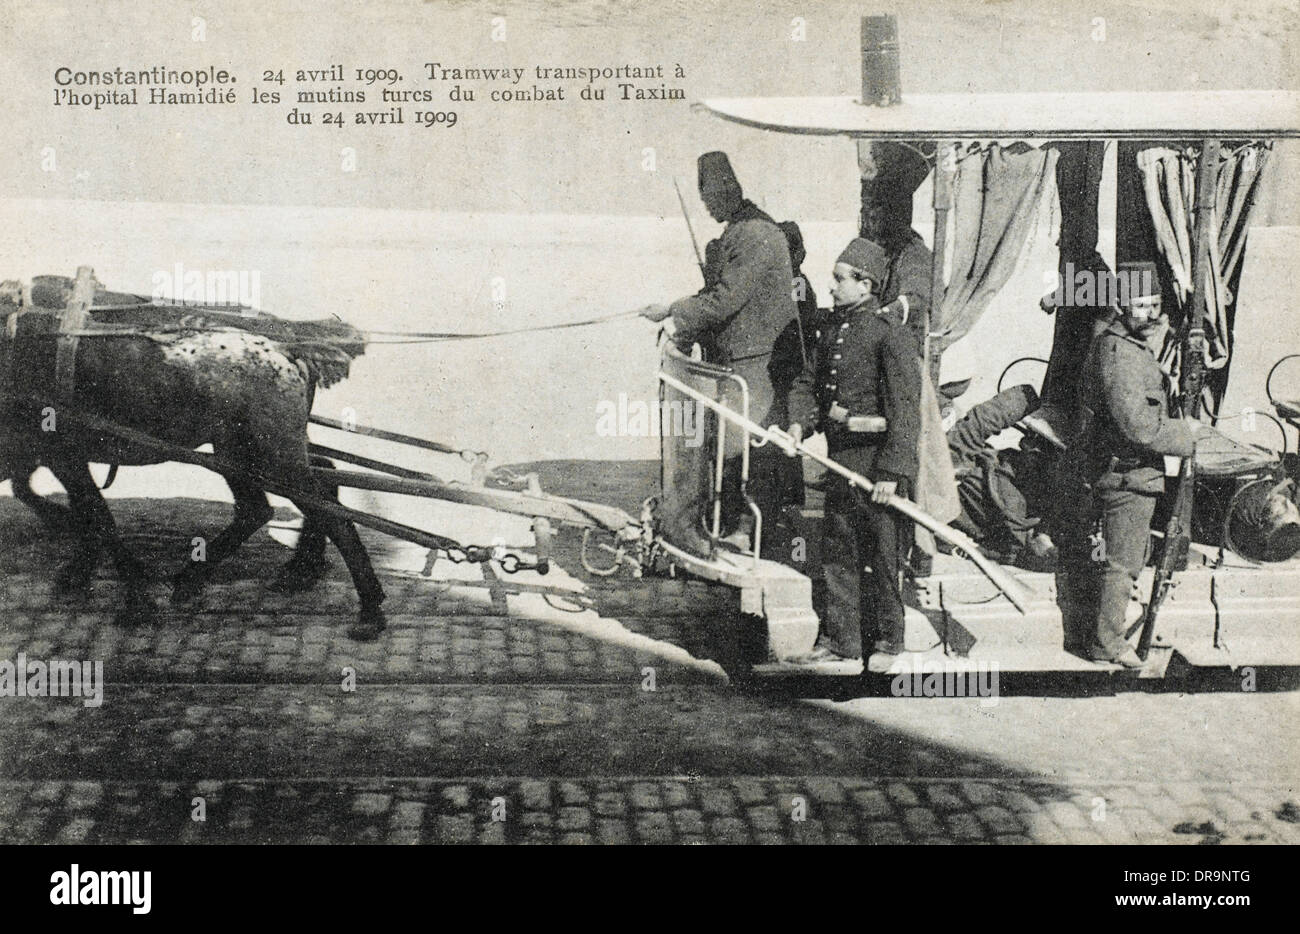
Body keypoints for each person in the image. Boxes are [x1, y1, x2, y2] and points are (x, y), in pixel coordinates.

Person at [640, 152, 797, 555]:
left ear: (728, 191)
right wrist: (684, 315)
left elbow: (726, 298)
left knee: (744, 449)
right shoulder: (739, 231)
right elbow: (717, 294)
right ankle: (733, 525)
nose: (708, 209)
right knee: (732, 447)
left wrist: (674, 311)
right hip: (739, 359)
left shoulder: (755, 234)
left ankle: (747, 531)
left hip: (758, 362)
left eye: (710, 201)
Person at [1055, 261, 1203, 666]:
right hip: (1127, 475)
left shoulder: (1127, 344)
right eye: (1140, 305)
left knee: (1121, 560)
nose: (1150, 313)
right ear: (1121, 304)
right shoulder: (1119, 352)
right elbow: (1138, 426)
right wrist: (1187, 435)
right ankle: (1109, 645)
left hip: (1127, 472)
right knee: (1123, 563)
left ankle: (1103, 638)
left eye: (1154, 304)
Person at [785, 238, 921, 674]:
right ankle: (842, 641)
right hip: (841, 459)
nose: (831, 287)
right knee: (839, 550)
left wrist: (893, 473)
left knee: (883, 554)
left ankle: (889, 640)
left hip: (876, 463)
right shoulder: (831, 330)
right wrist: (798, 424)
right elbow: (809, 381)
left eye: (840, 279)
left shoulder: (889, 335)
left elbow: (905, 410)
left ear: (865, 285)